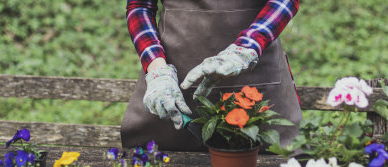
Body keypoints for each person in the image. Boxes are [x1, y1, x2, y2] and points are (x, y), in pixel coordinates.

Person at [121, 0, 302, 151]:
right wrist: (156, 69)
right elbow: (140, 6)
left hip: (258, 75)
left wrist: (248, 47)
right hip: (172, 90)